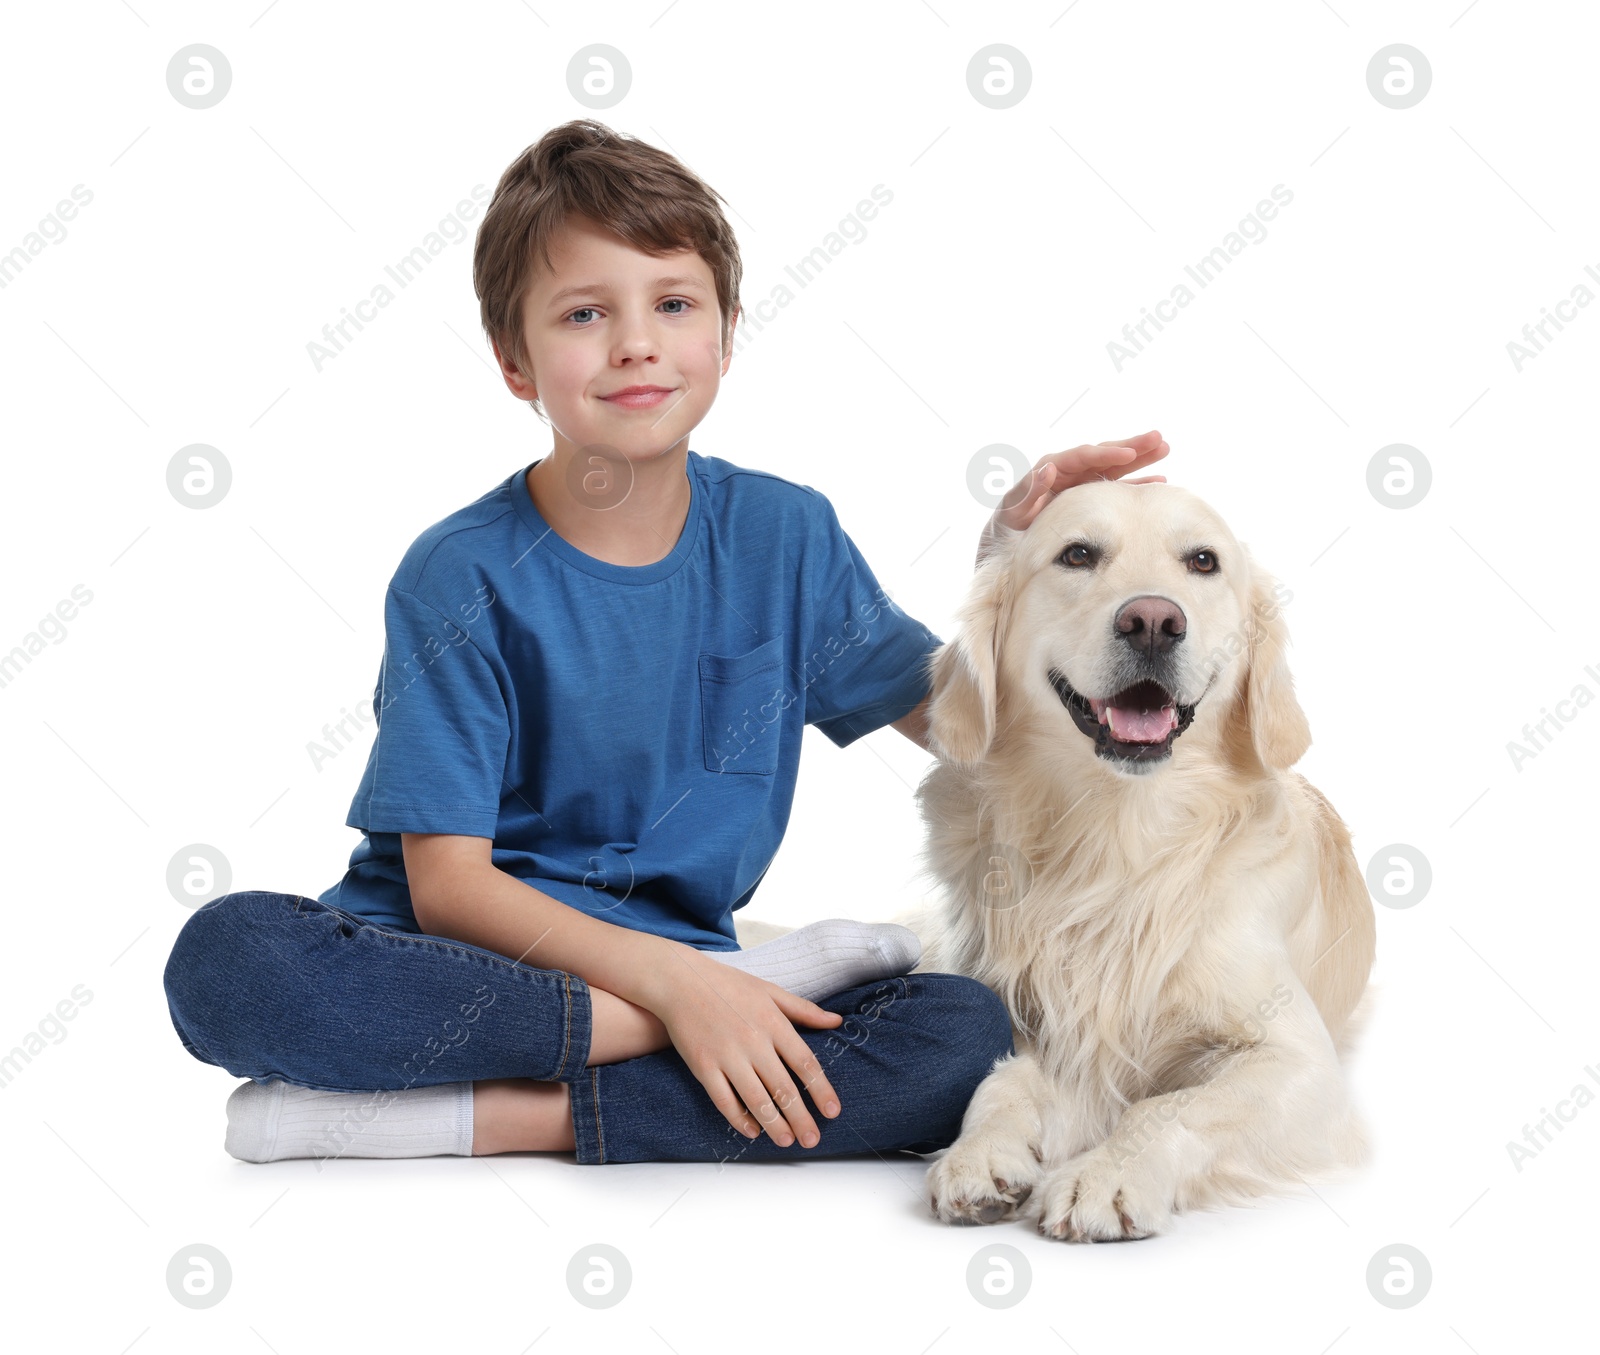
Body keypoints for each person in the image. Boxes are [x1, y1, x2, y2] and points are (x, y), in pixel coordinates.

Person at [162, 119, 1169, 1167]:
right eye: (585, 312)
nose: (636, 341)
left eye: (673, 303)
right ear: (514, 361)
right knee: (229, 962)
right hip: (457, 966)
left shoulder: (786, 536)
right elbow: (449, 887)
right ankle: (729, 1006)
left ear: (724, 335)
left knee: (959, 1030)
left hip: (675, 969)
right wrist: (686, 990)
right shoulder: (456, 574)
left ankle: (497, 1115)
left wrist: (1015, 568)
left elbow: (969, 730)